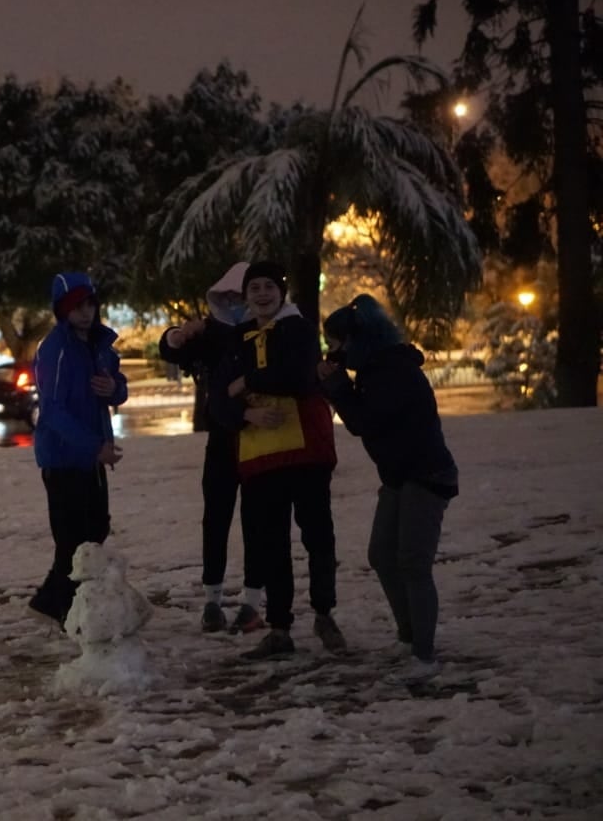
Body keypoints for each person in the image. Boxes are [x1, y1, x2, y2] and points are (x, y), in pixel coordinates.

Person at [319, 295, 458, 685]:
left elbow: (366, 422)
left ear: (358, 339)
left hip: (426, 475)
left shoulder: (392, 371)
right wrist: (337, 386)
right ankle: (409, 635)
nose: (335, 350)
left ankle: (423, 651)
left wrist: (336, 386)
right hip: (399, 475)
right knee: (382, 554)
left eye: (338, 342)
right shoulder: (374, 370)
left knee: (413, 560)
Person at [210, 261, 344, 660]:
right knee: (271, 546)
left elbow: (300, 376)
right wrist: (245, 415)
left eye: (270, 286)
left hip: (306, 451)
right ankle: (280, 626)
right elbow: (218, 398)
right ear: (246, 295)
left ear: (281, 292)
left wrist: (249, 382)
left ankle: (324, 611)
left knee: (318, 535)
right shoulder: (238, 337)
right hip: (259, 456)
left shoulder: (299, 329)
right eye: (255, 288)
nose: (263, 293)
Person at [159, 262, 266, 634]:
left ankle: (252, 602)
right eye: (230, 297)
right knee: (216, 518)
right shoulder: (212, 333)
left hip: (260, 438)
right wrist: (176, 336)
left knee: (257, 521)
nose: (238, 303)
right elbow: (173, 348)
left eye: (243, 296)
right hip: (222, 439)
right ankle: (212, 600)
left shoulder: (268, 331)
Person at [29, 272, 128, 627]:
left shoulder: (98, 344)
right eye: (76, 306)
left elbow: (118, 386)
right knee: (73, 539)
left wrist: (113, 388)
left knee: (96, 529)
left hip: (91, 456)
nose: (85, 313)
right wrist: (92, 447)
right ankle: (69, 610)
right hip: (64, 458)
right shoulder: (55, 350)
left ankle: (53, 600)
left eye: (89, 304)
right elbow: (53, 410)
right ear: (62, 310)